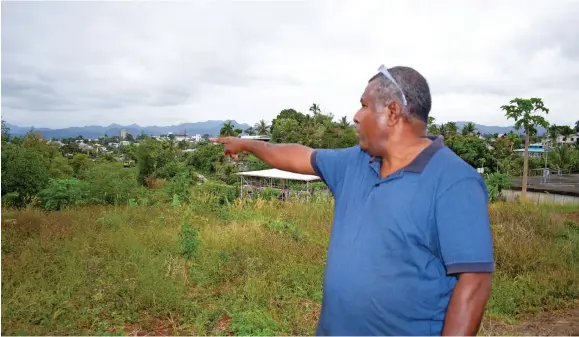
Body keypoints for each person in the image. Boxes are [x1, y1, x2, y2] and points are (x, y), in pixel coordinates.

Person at [215, 65, 494, 336]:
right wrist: (249, 144)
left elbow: (474, 283)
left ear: (393, 112)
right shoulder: (355, 163)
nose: (356, 116)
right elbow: (298, 155)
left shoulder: (454, 182)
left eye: (364, 105)